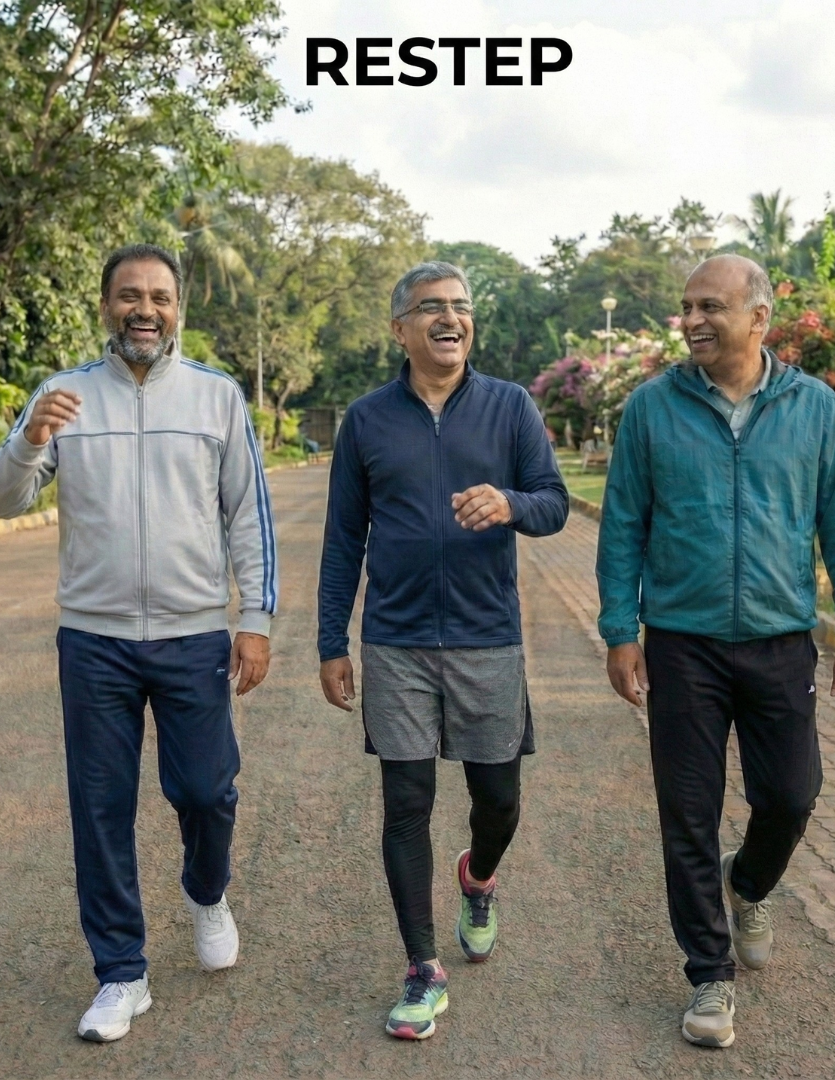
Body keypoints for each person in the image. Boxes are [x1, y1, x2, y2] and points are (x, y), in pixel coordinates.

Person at [0, 244, 277, 1043]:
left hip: (192, 634)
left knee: (207, 791)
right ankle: (121, 973)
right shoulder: (62, 394)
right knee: (100, 807)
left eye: (159, 297)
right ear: (106, 305)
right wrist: (29, 440)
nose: (145, 309)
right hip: (95, 641)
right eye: (129, 296)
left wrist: (255, 619)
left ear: (178, 309)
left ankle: (207, 892)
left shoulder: (217, 396)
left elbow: (247, 515)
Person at [597, 255, 835, 1049]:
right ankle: (708, 975)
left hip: (780, 640)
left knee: (791, 795)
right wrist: (620, 630)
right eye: (686, 306)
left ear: (758, 318)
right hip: (681, 645)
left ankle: (748, 881)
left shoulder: (813, 406)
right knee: (687, 813)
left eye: (709, 306)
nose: (691, 320)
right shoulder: (652, 407)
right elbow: (623, 524)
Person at [317, 262, 568, 1040]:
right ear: (400, 329)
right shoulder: (366, 420)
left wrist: (510, 503)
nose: (450, 318)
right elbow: (342, 538)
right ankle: (423, 968)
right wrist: (331, 640)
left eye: (460, 306)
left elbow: (555, 504)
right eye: (432, 307)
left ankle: (479, 876)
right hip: (395, 642)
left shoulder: (510, 406)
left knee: (499, 799)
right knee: (406, 804)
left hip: (487, 638)